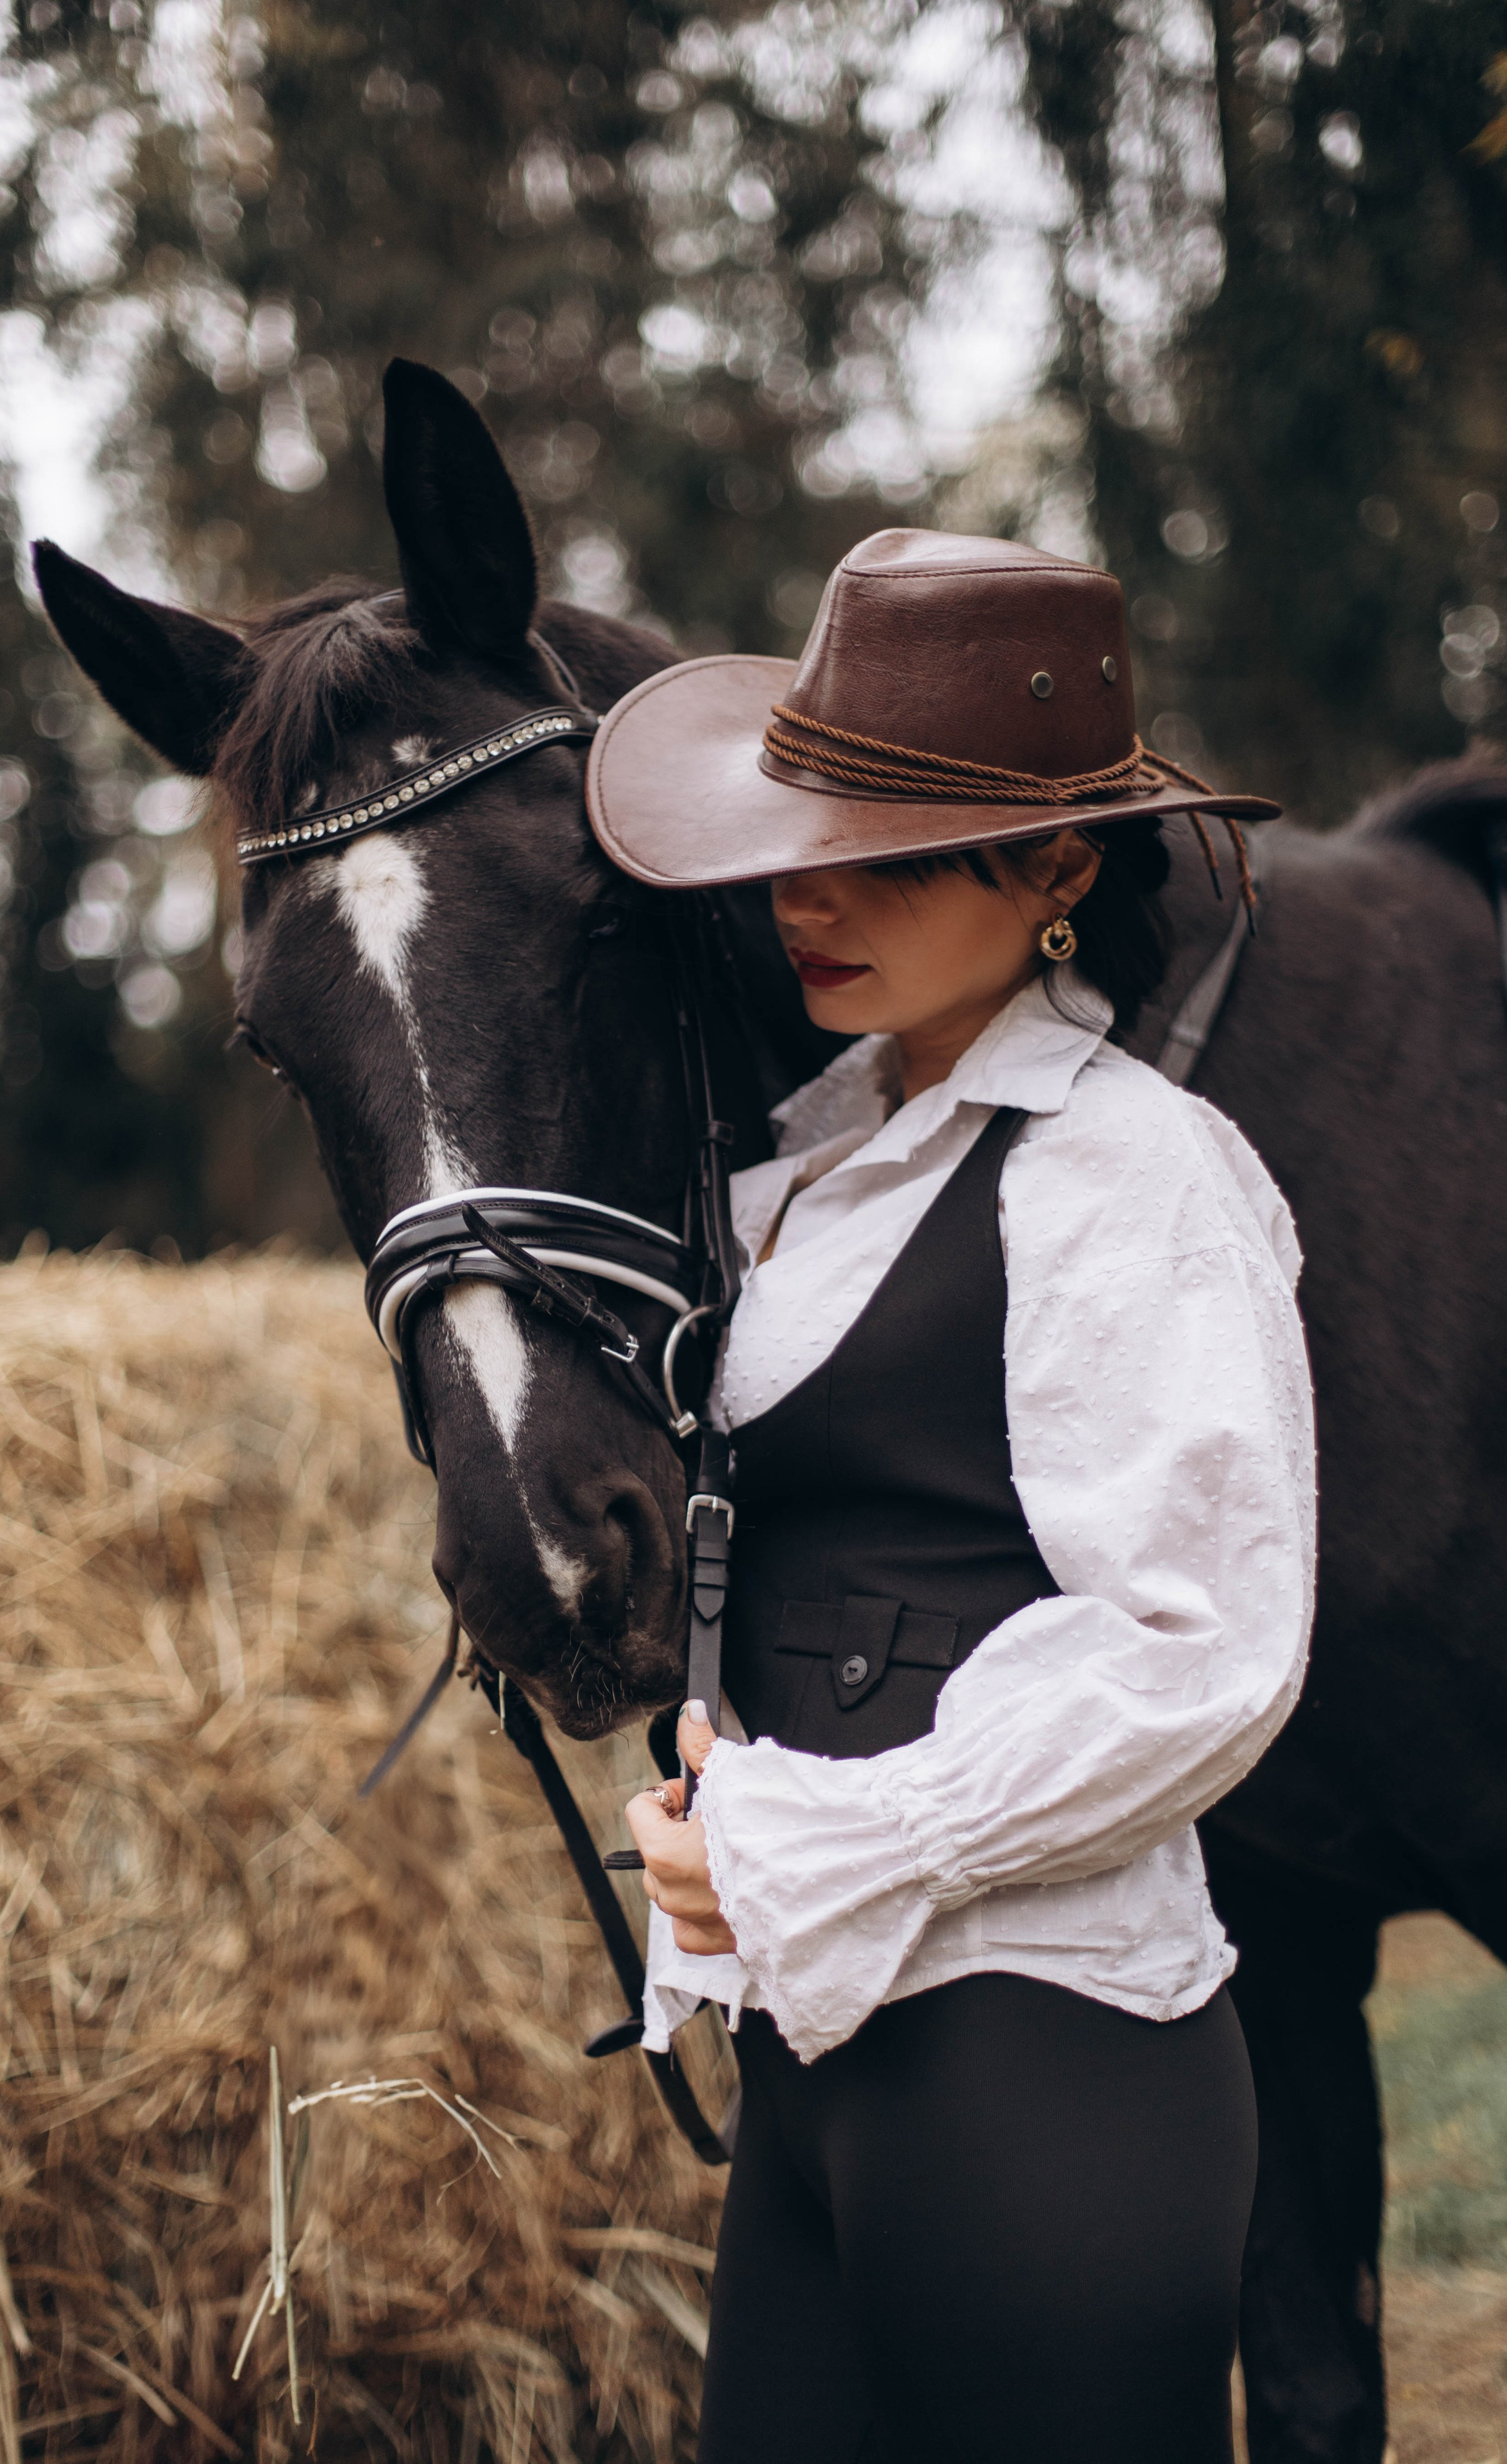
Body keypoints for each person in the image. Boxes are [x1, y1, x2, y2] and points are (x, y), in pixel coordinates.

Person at [584, 532, 1316, 2463]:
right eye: (794, 841)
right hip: (831, 2065)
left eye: (887, 851)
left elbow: (1199, 1654)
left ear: (1060, 867)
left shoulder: (1136, 1177)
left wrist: (812, 1842)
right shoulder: (830, 1157)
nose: (808, 899)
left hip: (1042, 2072)